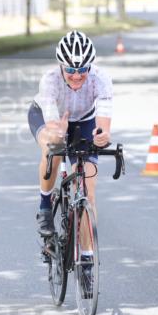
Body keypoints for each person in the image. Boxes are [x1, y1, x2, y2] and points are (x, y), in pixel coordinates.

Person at [26, 30, 113, 291]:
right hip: (47, 117)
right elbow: (55, 127)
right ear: (61, 66)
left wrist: (101, 137)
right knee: (53, 145)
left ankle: (86, 260)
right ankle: (44, 204)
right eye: (71, 70)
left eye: (83, 69)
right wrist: (58, 130)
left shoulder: (101, 80)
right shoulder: (50, 81)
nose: (77, 75)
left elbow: (103, 128)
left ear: (90, 66)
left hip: (84, 121)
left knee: (89, 186)